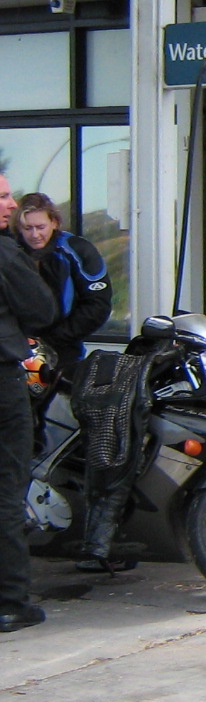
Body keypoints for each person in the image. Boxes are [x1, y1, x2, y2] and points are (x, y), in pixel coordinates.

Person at [0, 173, 61, 632]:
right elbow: (42, 310)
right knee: (7, 489)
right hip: (2, 382)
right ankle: (11, 602)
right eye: (3, 196)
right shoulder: (6, 254)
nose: (11, 204)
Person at [14, 193, 112, 390]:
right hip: (15, 350)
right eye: (28, 228)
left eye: (40, 227)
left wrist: (51, 340)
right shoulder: (10, 252)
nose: (35, 235)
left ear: (54, 222)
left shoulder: (77, 250)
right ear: (18, 227)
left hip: (64, 352)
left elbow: (98, 305)